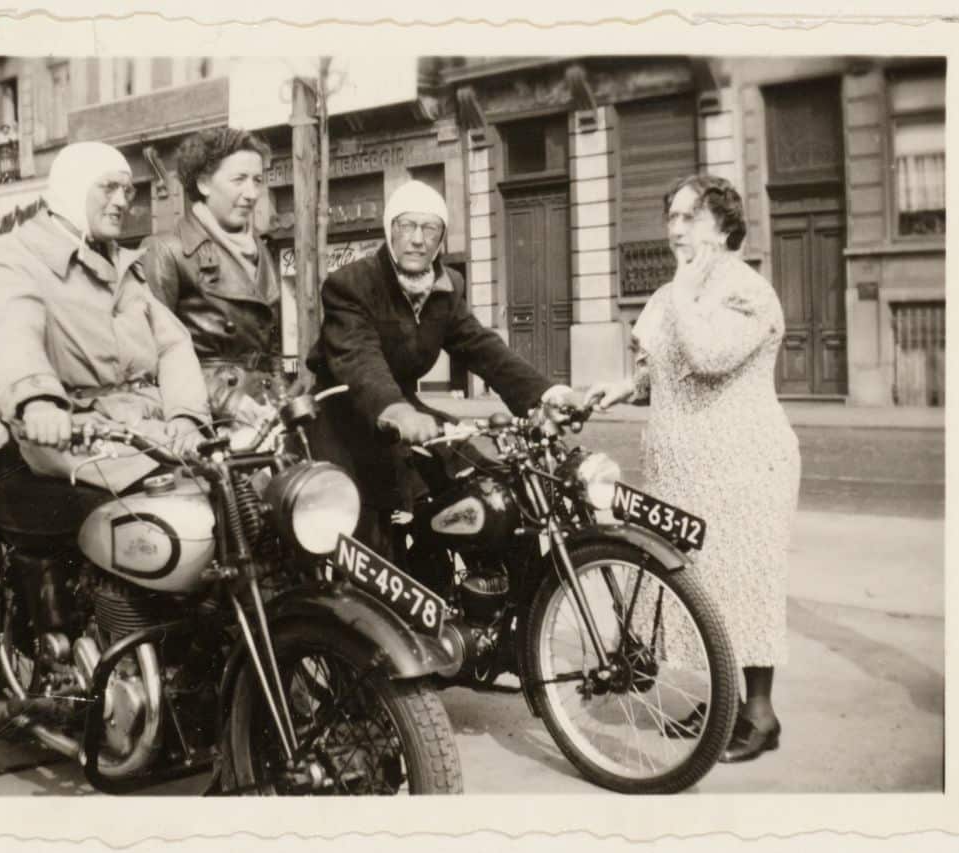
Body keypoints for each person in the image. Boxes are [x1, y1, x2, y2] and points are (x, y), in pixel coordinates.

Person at [585, 174, 801, 764]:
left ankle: (760, 715)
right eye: (671, 217)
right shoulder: (678, 292)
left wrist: (682, 290)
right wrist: (624, 388)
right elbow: (669, 371)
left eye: (689, 218)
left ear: (725, 226)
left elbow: (709, 356)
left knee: (746, 582)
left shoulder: (747, 292)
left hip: (746, 462)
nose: (675, 230)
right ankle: (726, 702)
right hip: (687, 469)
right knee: (704, 587)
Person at [305, 179, 580, 561]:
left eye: (430, 228)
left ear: (442, 239)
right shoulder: (353, 284)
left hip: (406, 411)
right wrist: (397, 410)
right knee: (367, 542)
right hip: (344, 415)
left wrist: (547, 395)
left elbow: (483, 348)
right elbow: (358, 358)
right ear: (390, 230)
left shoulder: (446, 289)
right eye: (407, 226)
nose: (418, 239)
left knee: (486, 485)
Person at [0, 141, 210, 494]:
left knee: (236, 490)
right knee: (162, 517)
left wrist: (186, 415)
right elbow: (10, 333)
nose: (124, 201)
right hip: (75, 436)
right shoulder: (18, 258)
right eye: (108, 187)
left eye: (127, 190)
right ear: (72, 188)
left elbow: (173, 344)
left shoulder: (123, 262)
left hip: (148, 427)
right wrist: (38, 400)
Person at [142, 127, 280, 427]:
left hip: (263, 413)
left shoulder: (261, 249)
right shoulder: (167, 250)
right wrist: (225, 399)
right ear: (204, 183)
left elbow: (270, 350)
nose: (252, 193)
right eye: (239, 180)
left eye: (258, 180)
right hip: (204, 421)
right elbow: (152, 358)